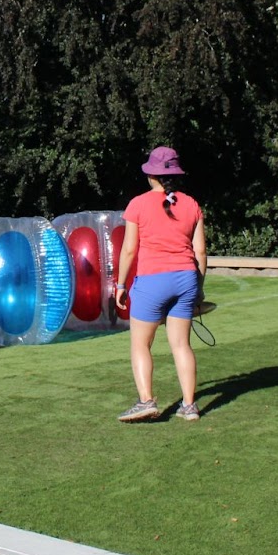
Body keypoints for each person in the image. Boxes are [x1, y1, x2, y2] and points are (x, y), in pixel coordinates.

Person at [111, 146, 207, 423]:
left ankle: (146, 401)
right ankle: (189, 406)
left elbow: (129, 250)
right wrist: (198, 287)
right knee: (181, 345)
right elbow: (200, 252)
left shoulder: (138, 204)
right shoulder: (191, 204)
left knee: (141, 344)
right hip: (187, 278)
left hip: (152, 280)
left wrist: (120, 285)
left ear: (151, 174)